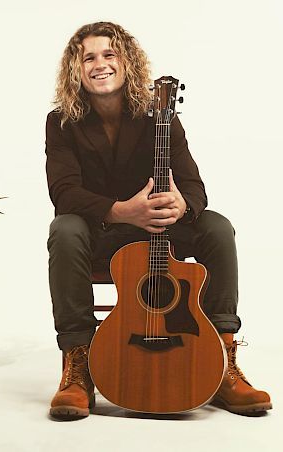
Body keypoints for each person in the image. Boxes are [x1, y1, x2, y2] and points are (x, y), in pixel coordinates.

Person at [45, 21, 271, 420]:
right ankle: (78, 365)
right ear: (76, 69)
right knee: (64, 229)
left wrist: (181, 206)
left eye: (110, 54)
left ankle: (222, 361)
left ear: (128, 62)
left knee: (217, 226)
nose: (100, 64)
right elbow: (64, 193)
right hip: (105, 234)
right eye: (89, 57)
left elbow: (195, 187)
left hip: (161, 234)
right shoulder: (62, 122)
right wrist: (121, 210)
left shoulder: (160, 115)